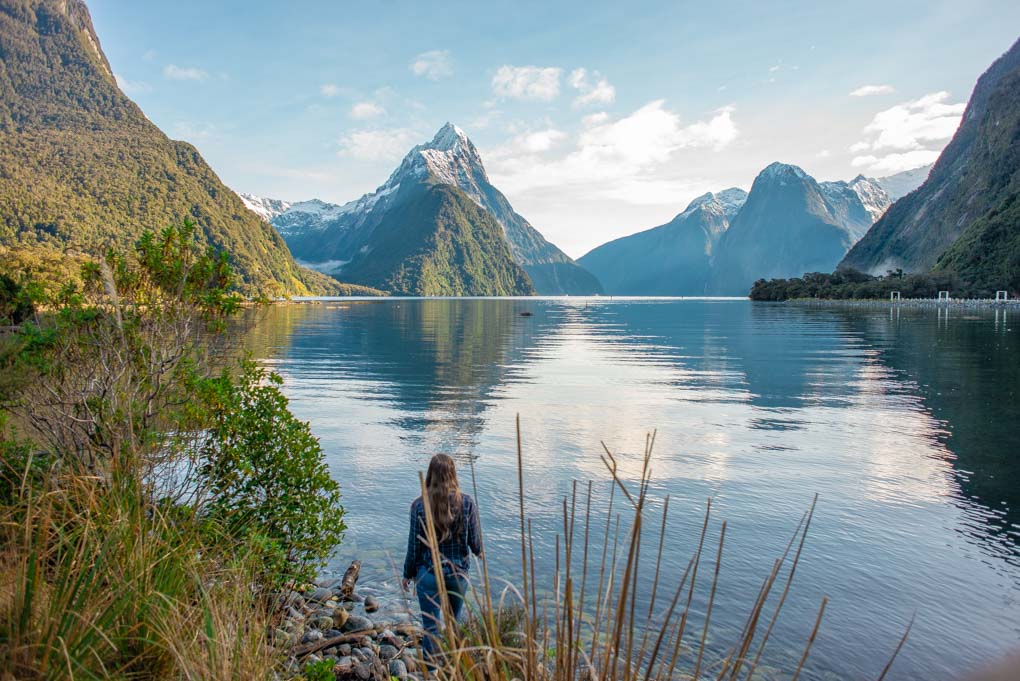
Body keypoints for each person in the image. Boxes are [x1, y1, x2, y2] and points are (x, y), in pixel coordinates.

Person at [401, 454, 483, 661]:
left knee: (430, 627)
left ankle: (430, 671)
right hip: (458, 575)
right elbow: (475, 544)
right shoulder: (467, 503)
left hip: (428, 575)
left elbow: (413, 546)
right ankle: (455, 667)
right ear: (453, 474)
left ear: (430, 475)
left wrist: (407, 574)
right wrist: (480, 553)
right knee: (454, 623)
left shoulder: (419, 506)